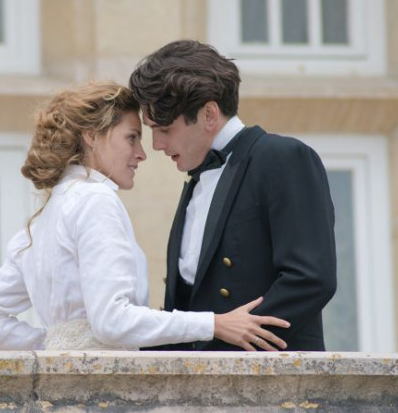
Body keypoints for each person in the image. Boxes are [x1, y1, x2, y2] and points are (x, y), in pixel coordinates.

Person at [0, 81, 290, 351]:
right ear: (91, 136)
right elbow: (112, 321)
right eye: (131, 138)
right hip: (103, 389)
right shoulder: (95, 199)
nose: (142, 153)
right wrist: (214, 324)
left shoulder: (47, 214)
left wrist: (58, 344)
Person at [129, 40, 337, 351]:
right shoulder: (197, 181)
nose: (157, 145)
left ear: (209, 115)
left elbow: (310, 279)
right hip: (195, 376)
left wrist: (220, 347)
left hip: (268, 373)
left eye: (165, 129)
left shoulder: (282, 157)